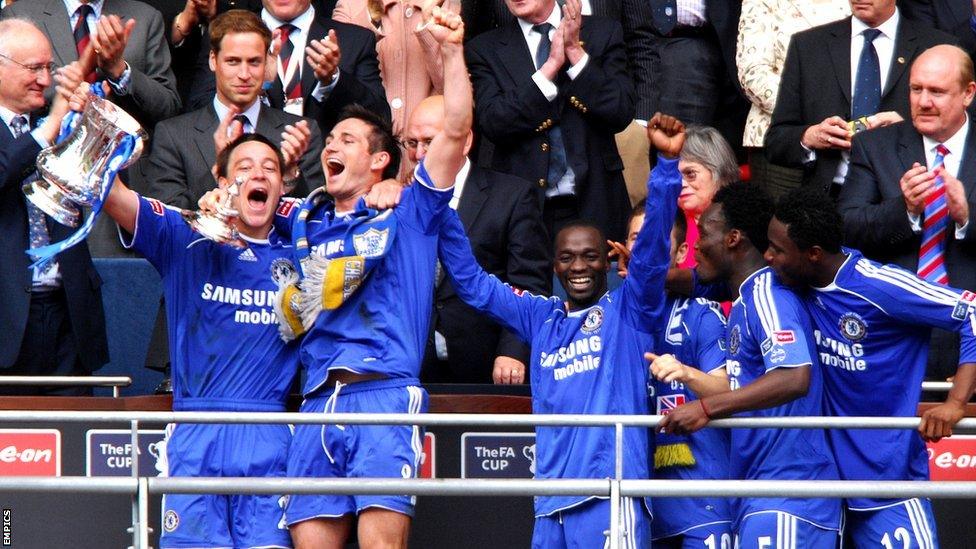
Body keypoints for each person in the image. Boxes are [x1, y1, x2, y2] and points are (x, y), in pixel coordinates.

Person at [254, 4, 468, 547]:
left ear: (380, 163)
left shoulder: (410, 212)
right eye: (330, 141)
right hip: (315, 398)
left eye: (347, 140)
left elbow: (456, 130)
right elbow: (241, 210)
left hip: (384, 394)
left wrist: (456, 52)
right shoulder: (303, 219)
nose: (332, 146)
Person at [436, 113, 684, 547]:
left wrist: (665, 167)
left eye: (590, 256)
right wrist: (440, 205)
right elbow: (475, 285)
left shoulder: (627, 309)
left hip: (611, 494)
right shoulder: (541, 316)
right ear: (554, 267)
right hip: (550, 503)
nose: (579, 267)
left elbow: (651, 256)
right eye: (567, 258)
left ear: (606, 262)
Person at [100, 129, 299, 547]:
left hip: (269, 435)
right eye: (243, 168)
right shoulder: (185, 235)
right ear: (221, 183)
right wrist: (101, 131)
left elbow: (352, 211)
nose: (257, 176)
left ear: (284, 185)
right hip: (196, 433)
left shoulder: (302, 247)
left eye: (270, 169)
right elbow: (111, 195)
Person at [766, 186, 976, 547]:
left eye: (778, 250)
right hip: (821, 491)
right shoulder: (789, 284)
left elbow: (971, 312)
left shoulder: (879, 286)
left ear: (813, 254)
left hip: (887, 481)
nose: (767, 257)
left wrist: (956, 402)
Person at [658, 182, 842, 546]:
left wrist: (706, 407)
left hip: (789, 493)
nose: (696, 243)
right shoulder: (744, 299)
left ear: (733, 238)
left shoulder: (767, 295)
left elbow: (794, 377)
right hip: (759, 491)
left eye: (705, 232)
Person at [838, 44, 976, 380]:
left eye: (937, 91)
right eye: (916, 89)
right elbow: (846, 227)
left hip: (971, 323)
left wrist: (967, 217)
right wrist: (905, 209)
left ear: (968, 94)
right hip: (895, 323)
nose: (923, 101)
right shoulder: (875, 146)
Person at [406, 95, 551, 385]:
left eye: (429, 141)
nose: (420, 154)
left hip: (486, 364)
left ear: (466, 141)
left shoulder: (512, 197)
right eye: (411, 143)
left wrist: (513, 349)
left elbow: (530, 281)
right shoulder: (400, 200)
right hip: (414, 367)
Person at [613, 204, 733, 547]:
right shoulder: (610, 313)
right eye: (637, 237)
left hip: (703, 499)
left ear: (682, 251)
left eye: (656, 237)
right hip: (637, 500)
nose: (645, 244)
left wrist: (686, 372)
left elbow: (727, 389)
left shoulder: (701, 314)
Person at [465, 0, 635, 242]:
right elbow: (494, 122)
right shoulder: (484, 48)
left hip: (596, 201)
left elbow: (620, 111)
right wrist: (549, 69)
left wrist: (575, 53)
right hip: (525, 212)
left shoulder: (602, 32)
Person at [0, 18, 108, 396]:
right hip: (7, 319)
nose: (45, 80)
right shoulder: (46, 127)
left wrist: (87, 122)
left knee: (76, 443)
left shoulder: (56, 124)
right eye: (34, 68)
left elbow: (96, 185)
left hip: (68, 315)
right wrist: (51, 125)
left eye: (48, 68)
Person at [765, 0, 955, 195]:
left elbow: (963, 134)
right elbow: (776, 141)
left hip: (906, 201)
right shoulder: (809, 46)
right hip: (826, 203)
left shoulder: (938, 48)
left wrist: (907, 130)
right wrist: (810, 137)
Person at [147, 9, 323, 210]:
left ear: (267, 63)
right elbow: (166, 221)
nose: (244, 74)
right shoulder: (173, 135)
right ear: (213, 60)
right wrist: (220, 171)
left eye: (254, 62)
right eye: (233, 61)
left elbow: (317, 218)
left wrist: (290, 177)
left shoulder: (299, 133)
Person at [187, 0, 390, 135]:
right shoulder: (227, 35)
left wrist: (333, 80)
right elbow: (198, 108)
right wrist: (259, 84)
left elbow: (381, 119)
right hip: (249, 171)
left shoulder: (353, 40)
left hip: (322, 177)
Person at [3, 0, 182, 129]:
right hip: (44, 158)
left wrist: (118, 70)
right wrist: (71, 85)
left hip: (123, 165)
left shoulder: (145, 18)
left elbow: (168, 110)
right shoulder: (22, 13)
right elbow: (9, 96)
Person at [736, 0, 851, 199]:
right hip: (779, 141)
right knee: (781, 227)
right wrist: (814, 116)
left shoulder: (857, 4)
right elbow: (753, 74)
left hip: (844, 139)